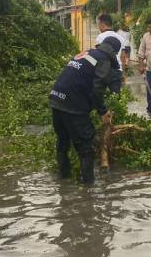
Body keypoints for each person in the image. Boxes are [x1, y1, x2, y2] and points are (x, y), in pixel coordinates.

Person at [49, 36, 121, 184]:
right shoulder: (103, 60)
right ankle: (88, 190)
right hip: (73, 104)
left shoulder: (88, 53)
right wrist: (103, 111)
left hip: (56, 98)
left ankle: (63, 180)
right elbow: (97, 89)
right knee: (86, 147)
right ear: (114, 52)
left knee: (62, 141)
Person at [95, 14, 127, 94]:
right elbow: (123, 57)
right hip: (117, 71)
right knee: (116, 97)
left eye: (98, 24)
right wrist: (123, 73)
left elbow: (97, 55)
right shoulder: (120, 38)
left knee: (101, 95)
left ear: (102, 24)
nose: (98, 27)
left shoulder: (100, 37)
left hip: (103, 70)